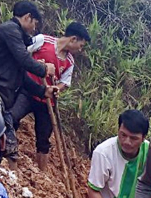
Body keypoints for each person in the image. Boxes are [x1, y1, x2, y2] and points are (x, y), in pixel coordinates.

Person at [0, 1, 57, 170]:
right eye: (34, 25)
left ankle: (11, 177)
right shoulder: (9, 29)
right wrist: (44, 69)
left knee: (6, 139)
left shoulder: (17, 37)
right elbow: (24, 60)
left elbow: (22, 76)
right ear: (28, 17)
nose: (34, 30)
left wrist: (42, 91)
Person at [9, 22, 91, 170]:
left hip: (46, 101)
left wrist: (56, 88)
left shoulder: (69, 61)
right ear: (73, 39)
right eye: (81, 45)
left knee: (43, 139)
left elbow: (64, 82)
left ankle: (42, 173)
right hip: (28, 91)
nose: (80, 49)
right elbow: (23, 55)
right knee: (12, 118)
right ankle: (7, 155)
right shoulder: (42, 40)